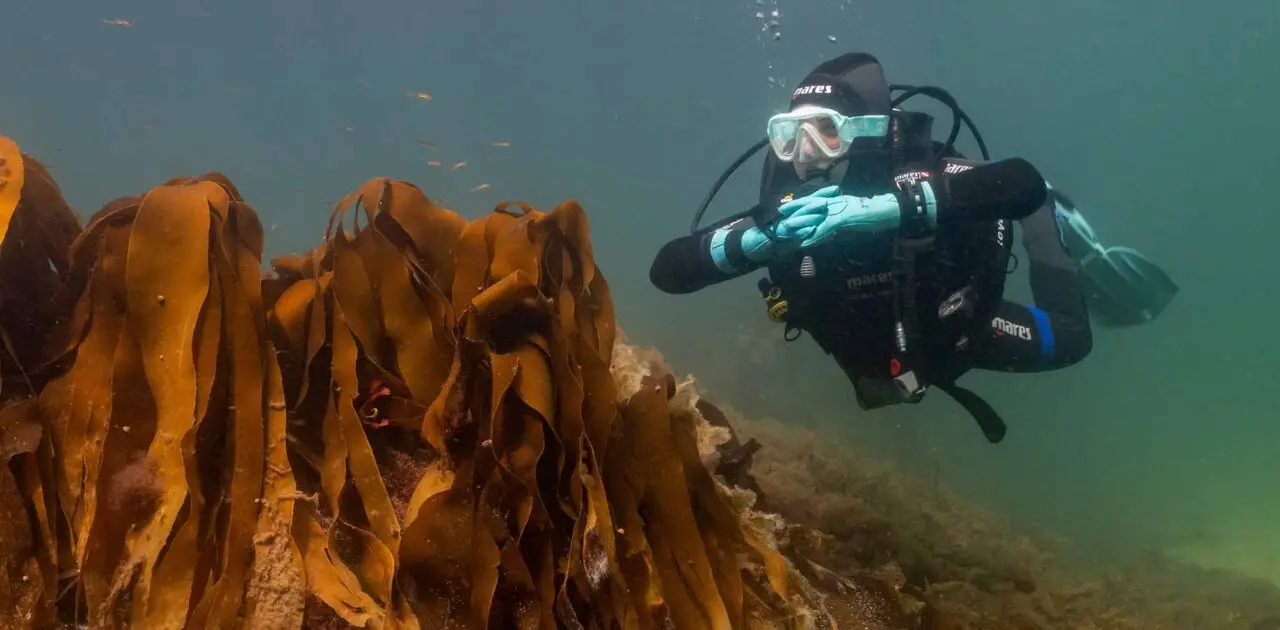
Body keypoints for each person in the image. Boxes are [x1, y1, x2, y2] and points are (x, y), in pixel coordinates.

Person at [649, 52, 1177, 443]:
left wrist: (894, 208)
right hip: (883, 356)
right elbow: (668, 270)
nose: (804, 157)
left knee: (1070, 339)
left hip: (958, 327)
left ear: (871, 133)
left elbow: (1019, 182)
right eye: (788, 137)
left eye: (826, 136)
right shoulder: (788, 214)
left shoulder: (923, 173)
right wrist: (754, 241)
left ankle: (1053, 226)